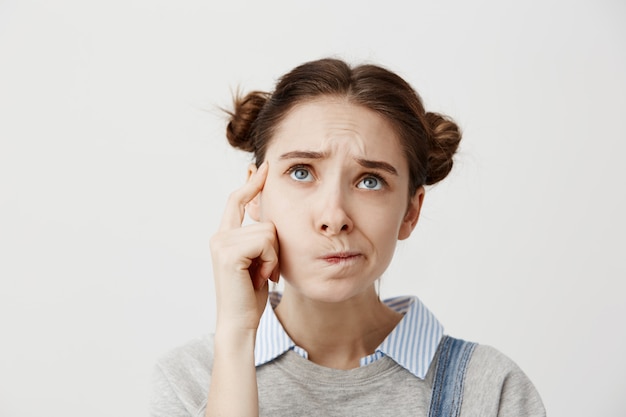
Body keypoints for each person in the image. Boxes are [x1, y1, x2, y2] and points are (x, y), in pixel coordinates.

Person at [150, 58, 546, 417]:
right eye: (302, 172)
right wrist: (236, 337)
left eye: (370, 181)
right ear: (255, 192)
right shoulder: (191, 380)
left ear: (411, 211)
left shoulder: (491, 391)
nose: (334, 217)